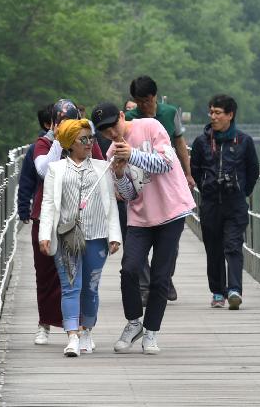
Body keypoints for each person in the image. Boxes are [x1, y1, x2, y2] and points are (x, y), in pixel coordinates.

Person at [91, 102, 195, 355]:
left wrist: (132, 155)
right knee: (129, 269)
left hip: (171, 211)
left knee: (160, 277)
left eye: (114, 126)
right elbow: (129, 195)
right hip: (140, 217)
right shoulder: (110, 153)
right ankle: (134, 322)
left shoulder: (150, 126)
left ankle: (151, 332)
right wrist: (118, 174)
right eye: (104, 132)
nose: (112, 134)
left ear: (123, 117)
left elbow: (166, 164)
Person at [38, 119, 122, 357]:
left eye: (91, 138)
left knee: (91, 288)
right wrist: (45, 234)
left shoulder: (102, 167)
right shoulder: (56, 169)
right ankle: (72, 336)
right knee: (70, 287)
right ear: (68, 143)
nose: (88, 143)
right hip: (67, 237)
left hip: (97, 236)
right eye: (82, 139)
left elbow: (110, 206)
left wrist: (114, 235)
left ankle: (87, 331)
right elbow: (48, 205)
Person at [29, 99, 105, 345]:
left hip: (80, 220)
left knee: (76, 277)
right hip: (47, 216)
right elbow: (43, 170)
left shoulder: (85, 140)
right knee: (45, 273)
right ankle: (45, 323)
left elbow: (100, 169)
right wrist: (57, 139)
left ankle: (79, 328)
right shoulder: (43, 144)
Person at [124, 75, 193, 302]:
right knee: (139, 239)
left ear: (154, 96)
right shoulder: (130, 119)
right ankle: (146, 288)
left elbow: (180, 143)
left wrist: (188, 173)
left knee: (169, 243)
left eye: (146, 100)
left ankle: (164, 278)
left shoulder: (169, 113)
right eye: (138, 101)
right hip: (141, 184)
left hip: (168, 183)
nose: (142, 105)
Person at [190, 94, 259, 310]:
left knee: (233, 246)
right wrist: (206, 186)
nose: (213, 116)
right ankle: (217, 291)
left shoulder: (244, 141)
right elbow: (195, 169)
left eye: (218, 113)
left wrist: (242, 192)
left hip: (235, 203)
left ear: (230, 115)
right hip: (210, 203)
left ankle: (234, 290)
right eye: (211, 112)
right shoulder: (202, 142)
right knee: (213, 248)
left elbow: (253, 171)